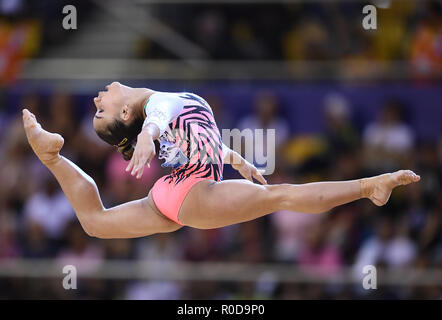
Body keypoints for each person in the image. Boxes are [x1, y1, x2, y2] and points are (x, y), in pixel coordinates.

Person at [22, 82, 420, 239]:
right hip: (192, 191)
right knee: (281, 195)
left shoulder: (160, 109)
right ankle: (370, 185)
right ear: (126, 114)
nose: (97, 100)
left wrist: (234, 158)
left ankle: (53, 158)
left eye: (96, 109)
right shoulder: (154, 106)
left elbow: (197, 141)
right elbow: (160, 117)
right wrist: (146, 135)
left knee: (95, 222)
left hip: (174, 192)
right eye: (101, 111)